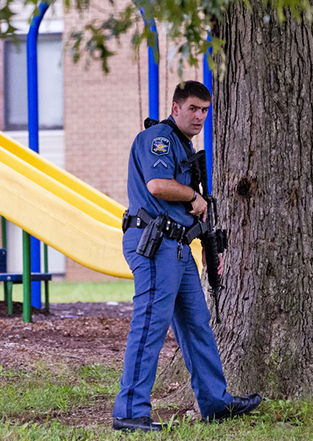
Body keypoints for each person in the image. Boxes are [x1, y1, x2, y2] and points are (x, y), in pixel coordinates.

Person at [112, 81, 262, 432]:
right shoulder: (159, 139)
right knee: (150, 326)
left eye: (204, 110)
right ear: (176, 108)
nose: (199, 116)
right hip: (156, 246)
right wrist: (194, 198)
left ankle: (215, 402)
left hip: (179, 248)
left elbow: (189, 211)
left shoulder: (183, 145)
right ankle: (130, 412)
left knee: (197, 325)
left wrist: (209, 248)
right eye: (193, 108)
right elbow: (158, 185)